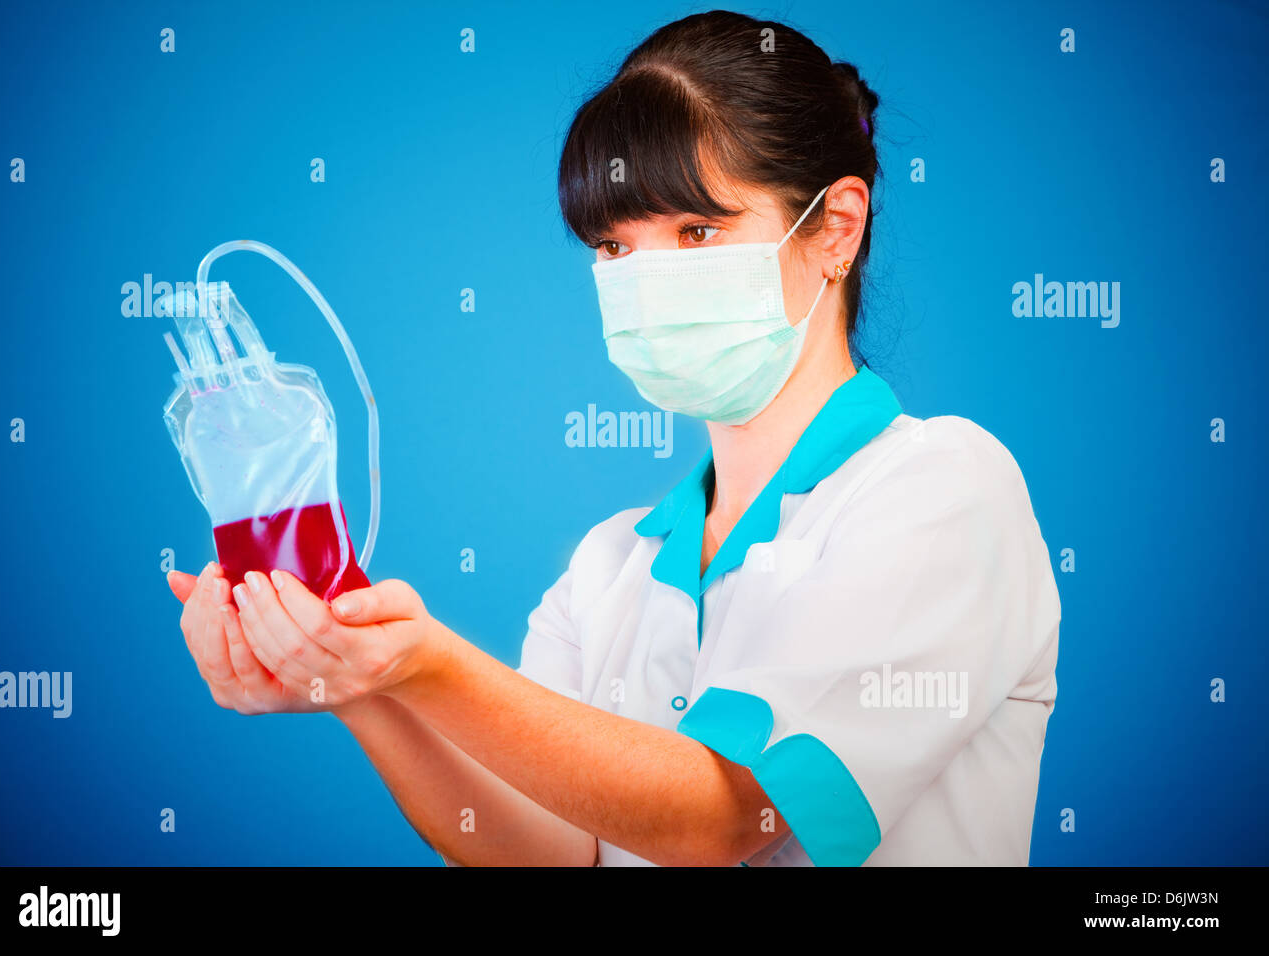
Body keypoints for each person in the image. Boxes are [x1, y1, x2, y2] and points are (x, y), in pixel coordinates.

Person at [167, 10, 1060, 867]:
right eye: (614, 248)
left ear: (835, 228)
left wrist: (431, 660)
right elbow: (550, 851)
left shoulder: (944, 489)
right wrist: (367, 685)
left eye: (698, 230)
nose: (646, 283)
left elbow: (721, 817)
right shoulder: (609, 567)